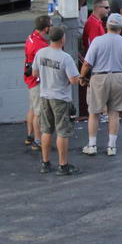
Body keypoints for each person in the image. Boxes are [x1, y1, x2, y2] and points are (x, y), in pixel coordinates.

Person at [80, 13, 122, 158]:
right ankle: (111, 146)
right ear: (121, 27)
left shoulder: (98, 41)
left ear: (107, 25)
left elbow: (87, 63)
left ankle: (92, 145)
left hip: (99, 77)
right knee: (114, 112)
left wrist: (81, 76)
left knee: (94, 112)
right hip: (119, 77)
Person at [34, 26, 81, 176]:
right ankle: (63, 165)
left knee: (46, 130)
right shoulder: (65, 57)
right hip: (60, 98)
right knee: (62, 132)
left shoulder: (40, 53)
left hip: (44, 96)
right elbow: (74, 80)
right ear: (62, 39)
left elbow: (34, 72)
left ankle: (45, 163)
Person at [23, 15, 52, 151]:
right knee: (38, 112)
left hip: (30, 79)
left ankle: (30, 136)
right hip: (36, 80)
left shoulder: (31, 37)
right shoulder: (40, 44)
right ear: (46, 28)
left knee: (32, 109)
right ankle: (37, 140)